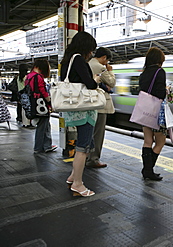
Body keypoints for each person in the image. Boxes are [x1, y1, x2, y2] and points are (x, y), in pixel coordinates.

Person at [61, 31, 99, 197]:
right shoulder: (78, 59)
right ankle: (78, 184)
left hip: (74, 109)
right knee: (82, 148)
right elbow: (90, 84)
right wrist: (96, 79)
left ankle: (72, 177)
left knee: (83, 145)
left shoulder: (67, 60)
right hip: (84, 110)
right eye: (91, 49)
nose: (91, 53)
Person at [139, 47, 167, 181]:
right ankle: (148, 170)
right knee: (161, 141)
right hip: (156, 112)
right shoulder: (160, 72)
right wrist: (167, 91)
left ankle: (147, 170)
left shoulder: (143, 73)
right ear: (159, 60)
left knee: (148, 141)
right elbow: (160, 93)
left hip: (145, 110)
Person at [86, 47, 116, 168]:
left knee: (89, 132)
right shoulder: (100, 67)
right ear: (104, 58)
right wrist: (110, 70)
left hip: (89, 103)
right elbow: (112, 82)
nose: (107, 63)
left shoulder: (88, 64)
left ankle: (86, 156)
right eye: (107, 60)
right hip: (99, 104)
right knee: (98, 133)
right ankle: (93, 159)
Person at [25, 59, 58, 154]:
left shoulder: (29, 76)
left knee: (45, 125)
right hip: (40, 105)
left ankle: (47, 146)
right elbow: (43, 91)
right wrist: (50, 101)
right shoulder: (38, 77)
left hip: (33, 104)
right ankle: (38, 147)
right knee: (42, 126)